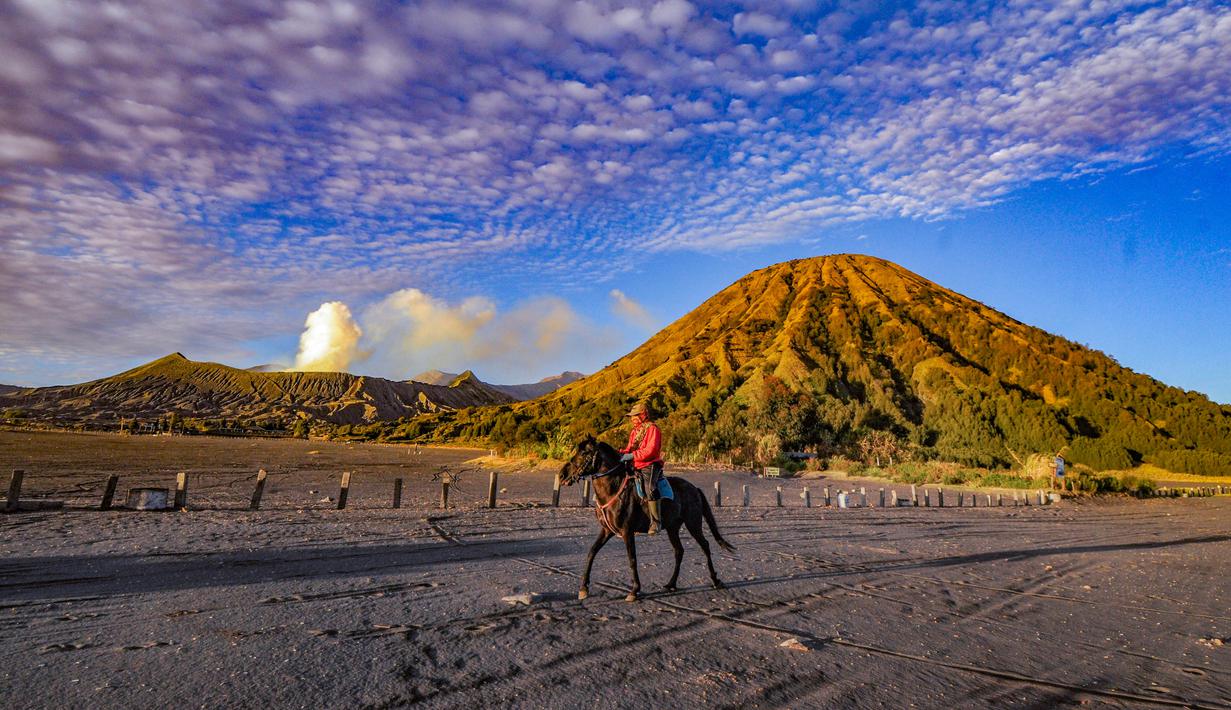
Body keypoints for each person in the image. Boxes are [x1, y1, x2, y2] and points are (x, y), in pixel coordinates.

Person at [619, 402, 667, 534]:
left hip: (650, 464)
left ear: (643, 415)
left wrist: (631, 455)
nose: (632, 418)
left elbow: (650, 451)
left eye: (635, 415)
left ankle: (656, 522)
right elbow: (630, 448)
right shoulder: (634, 431)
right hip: (635, 464)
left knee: (649, 488)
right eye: (632, 416)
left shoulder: (653, 429)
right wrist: (622, 453)